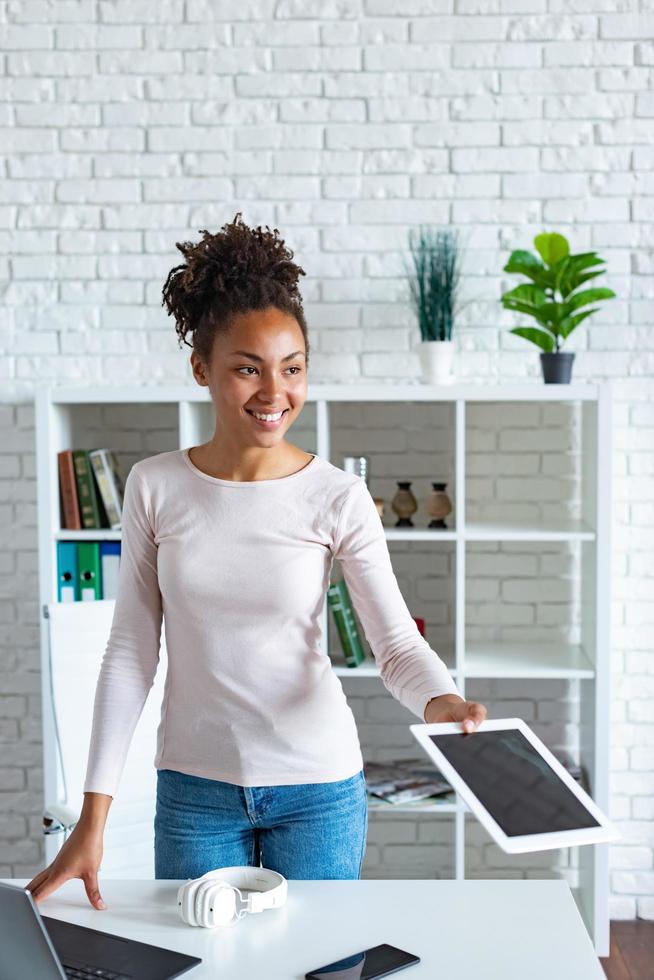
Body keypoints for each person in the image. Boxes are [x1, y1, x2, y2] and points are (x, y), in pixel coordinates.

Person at [26, 213, 487, 912]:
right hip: (193, 792)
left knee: (313, 964)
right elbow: (130, 655)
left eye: (292, 369)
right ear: (201, 368)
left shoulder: (338, 496)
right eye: (248, 369)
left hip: (319, 789)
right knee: (201, 963)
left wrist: (442, 700)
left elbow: (395, 647)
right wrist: (94, 816)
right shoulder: (155, 486)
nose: (275, 393)